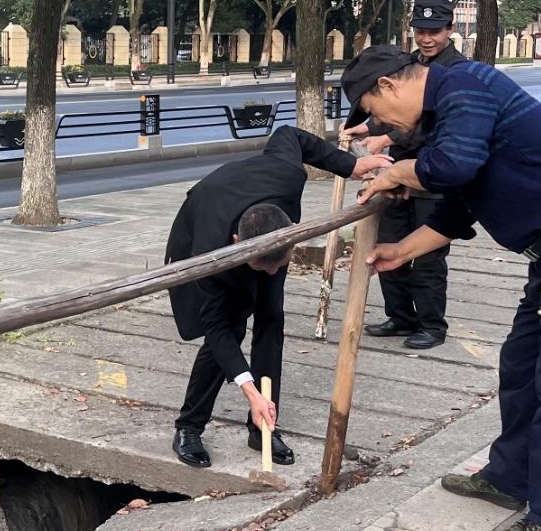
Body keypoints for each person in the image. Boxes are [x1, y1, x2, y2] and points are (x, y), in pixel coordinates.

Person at [341, 45, 541, 531]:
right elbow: (459, 207)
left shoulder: (463, 86)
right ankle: (509, 478)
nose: (378, 123)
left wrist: (395, 171)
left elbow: (451, 167)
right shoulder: (446, 115)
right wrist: (401, 252)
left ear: (389, 86)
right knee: (521, 366)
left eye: (373, 110)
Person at [166, 125, 390, 468]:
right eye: (264, 268)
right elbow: (217, 328)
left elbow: (289, 134)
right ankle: (189, 427)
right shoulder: (211, 258)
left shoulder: (286, 176)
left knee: (271, 321)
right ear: (241, 244)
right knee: (228, 331)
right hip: (204, 231)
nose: (272, 275)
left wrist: (349, 164)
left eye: (279, 266)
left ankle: (262, 428)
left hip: (267, 237)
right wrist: (250, 391)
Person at [353, 0, 466, 350]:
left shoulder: (456, 73)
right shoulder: (410, 65)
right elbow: (390, 106)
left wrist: (386, 136)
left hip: (434, 176)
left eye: (434, 32)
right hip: (397, 174)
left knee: (428, 255)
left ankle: (432, 325)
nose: (426, 39)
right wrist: (367, 126)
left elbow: (428, 125)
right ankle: (400, 316)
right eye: (420, 32)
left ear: (450, 31)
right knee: (388, 243)